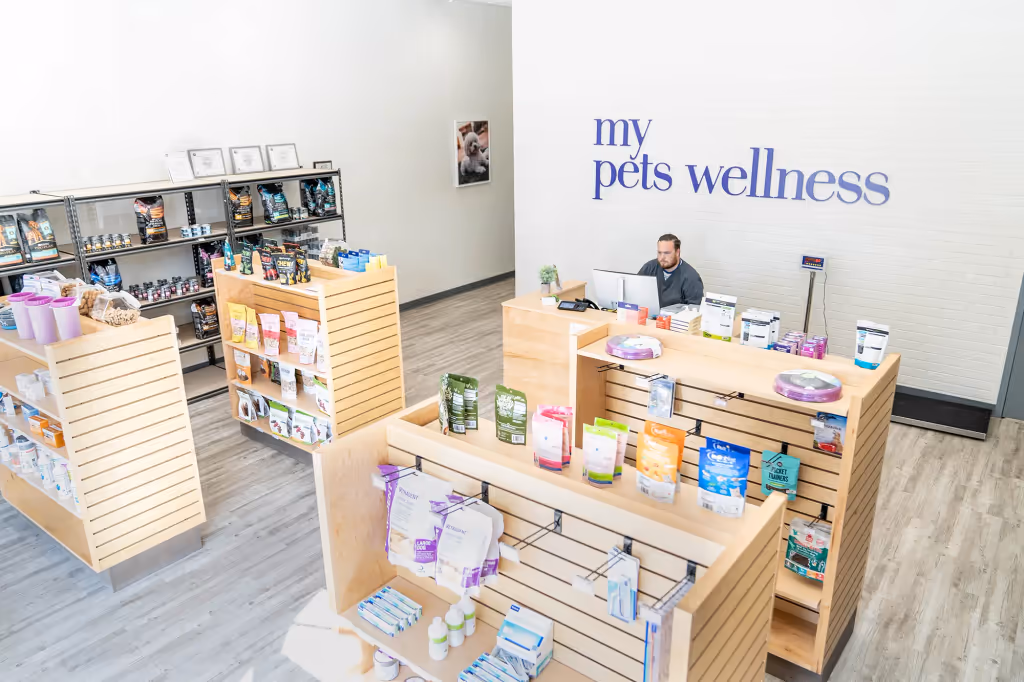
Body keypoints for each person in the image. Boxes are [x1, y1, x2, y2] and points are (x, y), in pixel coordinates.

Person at [637, 233, 704, 309]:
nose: (662, 258)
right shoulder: (649, 268)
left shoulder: (691, 278)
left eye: (667, 253)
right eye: (659, 253)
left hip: (676, 316)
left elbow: (694, 310)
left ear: (677, 252)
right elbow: (635, 292)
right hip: (648, 314)